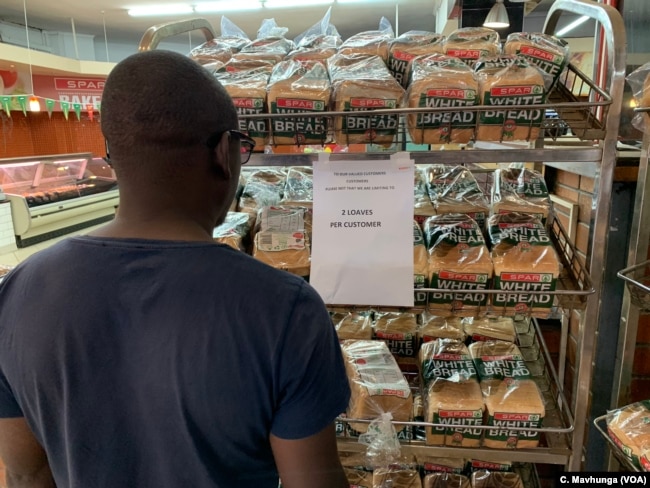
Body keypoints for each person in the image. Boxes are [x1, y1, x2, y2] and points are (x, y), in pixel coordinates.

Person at [0, 50, 351, 488]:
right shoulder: (285, 309)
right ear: (225, 153)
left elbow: (25, 472)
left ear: (111, 153)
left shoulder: (16, 292)